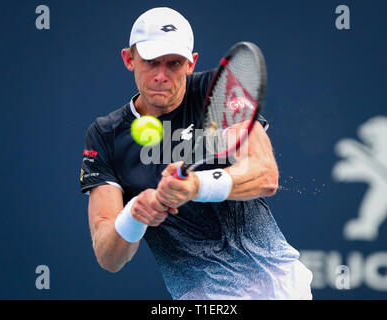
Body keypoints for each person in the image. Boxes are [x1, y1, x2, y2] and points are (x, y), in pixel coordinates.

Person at [80, 7, 313, 300]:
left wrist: (196, 186)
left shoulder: (218, 90)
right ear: (129, 59)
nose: (161, 75)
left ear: (192, 63)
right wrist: (134, 214)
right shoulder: (105, 135)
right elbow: (108, 256)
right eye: (151, 62)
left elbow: (264, 174)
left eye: (174, 63)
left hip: (275, 288)